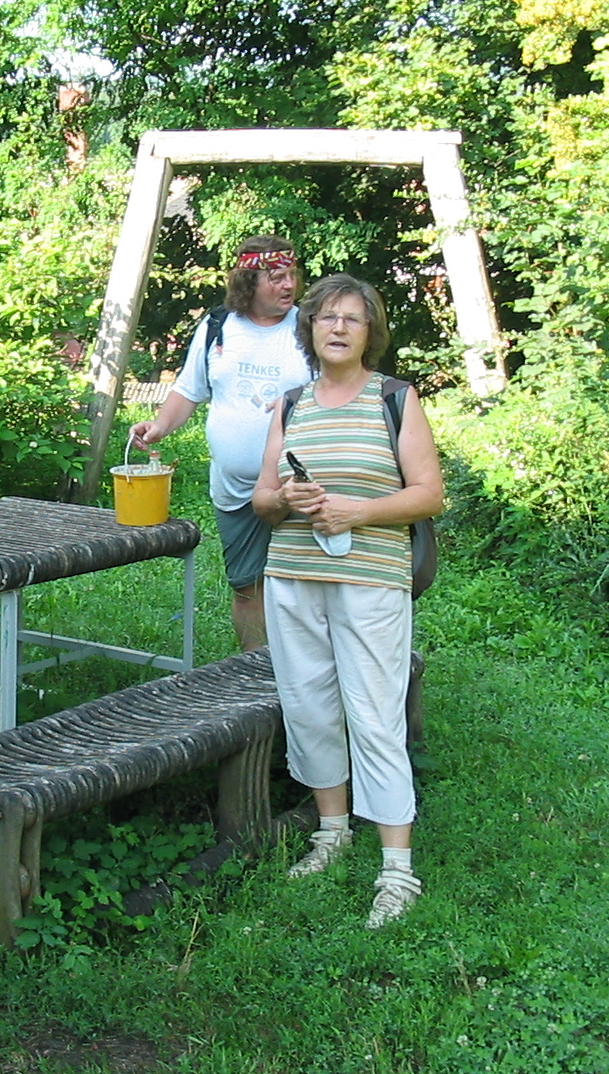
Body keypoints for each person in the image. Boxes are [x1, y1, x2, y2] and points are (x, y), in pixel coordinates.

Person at [251, 274, 443, 928]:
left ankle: (397, 869)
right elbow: (262, 500)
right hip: (294, 576)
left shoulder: (395, 398)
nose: (337, 328)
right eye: (326, 317)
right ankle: (332, 831)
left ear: (370, 333)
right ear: (308, 329)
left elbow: (428, 494)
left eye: (352, 320)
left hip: (370, 579)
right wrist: (286, 499)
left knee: (373, 709)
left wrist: (360, 510)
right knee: (308, 703)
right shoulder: (290, 403)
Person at [129, 236, 311, 650]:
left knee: (302, 590)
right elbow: (189, 390)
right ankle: (256, 673)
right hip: (234, 490)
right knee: (247, 586)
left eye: (291, 276)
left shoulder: (309, 328)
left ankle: (305, 677)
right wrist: (159, 426)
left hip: (298, 487)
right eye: (276, 277)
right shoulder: (217, 326)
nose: (288, 286)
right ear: (249, 280)